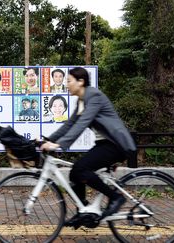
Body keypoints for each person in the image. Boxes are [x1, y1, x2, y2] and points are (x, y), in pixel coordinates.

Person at [40, 67, 136, 226]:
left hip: (116, 145)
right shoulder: (82, 100)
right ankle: (83, 211)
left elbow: (82, 124)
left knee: (80, 169)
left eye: (69, 81)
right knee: (74, 173)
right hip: (105, 144)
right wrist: (47, 139)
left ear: (81, 82)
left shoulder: (94, 96)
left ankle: (115, 197)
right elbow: (69, 125)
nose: (66, 85)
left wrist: (59, 144)